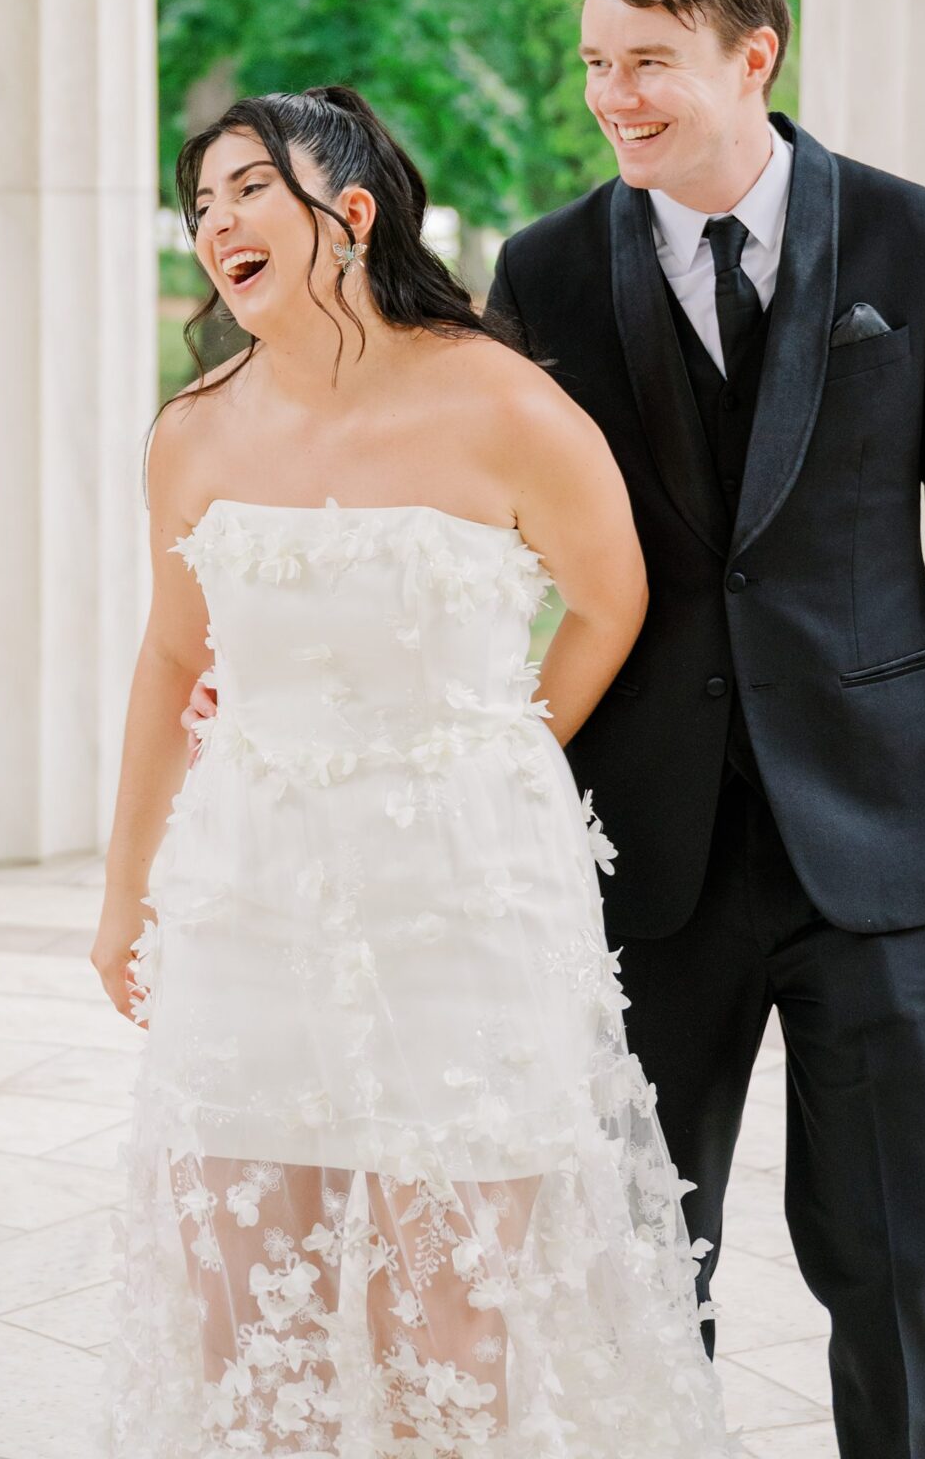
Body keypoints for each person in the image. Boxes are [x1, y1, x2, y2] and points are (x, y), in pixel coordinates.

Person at [482, 0, 925, 1459]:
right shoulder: (542, 271)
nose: (614, 96)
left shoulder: (918, 243)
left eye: (651, 65)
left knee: (892, 1256)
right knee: (639, 1261)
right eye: (598, 62)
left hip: (871, 842)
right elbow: (461, 531)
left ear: (757, 56)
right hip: (643, 847)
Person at [93, 85, 737, 1457]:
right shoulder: (194, 428)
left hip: (460, 917)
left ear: (353, 210)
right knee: (247, 1332)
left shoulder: (504, 402)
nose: (216, 223)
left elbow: (610, 600)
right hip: (251, 908)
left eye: (248, 188)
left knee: (443, 1332)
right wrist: (123, 896)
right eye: (201, 203)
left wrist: (494, 755)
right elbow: (167, 660)